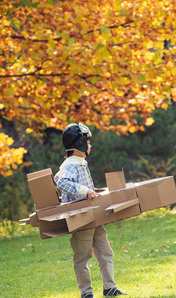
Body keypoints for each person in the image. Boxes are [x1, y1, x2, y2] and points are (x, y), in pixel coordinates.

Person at [54, 123, 127, 298]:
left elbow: (61, 178)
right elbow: (61, 182)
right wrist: (85, 191)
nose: (90, 145)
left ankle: (110, 288)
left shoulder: (80, 162)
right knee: (83, 257)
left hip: (94, 216)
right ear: (79, 144)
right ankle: (86, 293)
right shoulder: (71, 164)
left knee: (105, 252)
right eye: (87, 142)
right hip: (81, 219)